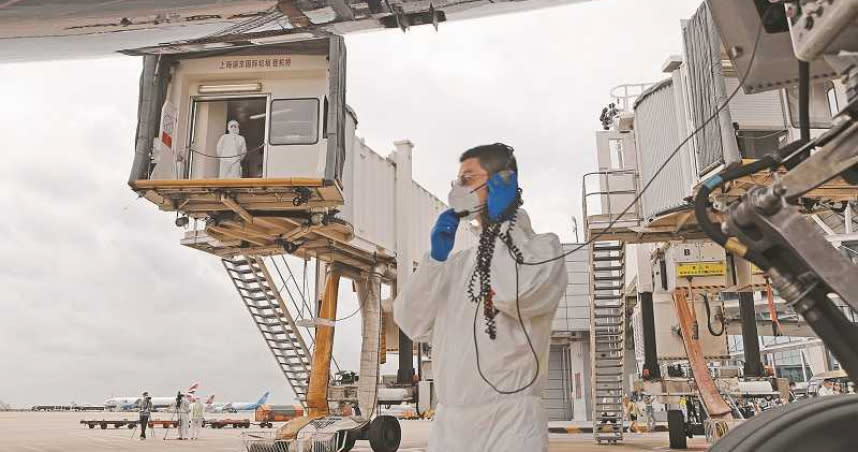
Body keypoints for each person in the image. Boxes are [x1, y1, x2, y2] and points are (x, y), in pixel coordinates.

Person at [393, 143, 567, 452]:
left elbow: (515, 292)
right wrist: (435, 260)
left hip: (510, 424)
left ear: (503, 182)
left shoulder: (543, 250)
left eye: (468, 179)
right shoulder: (458, 264)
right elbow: (411, 320)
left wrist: (502, 225)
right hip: (451, 427)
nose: (457, 189)